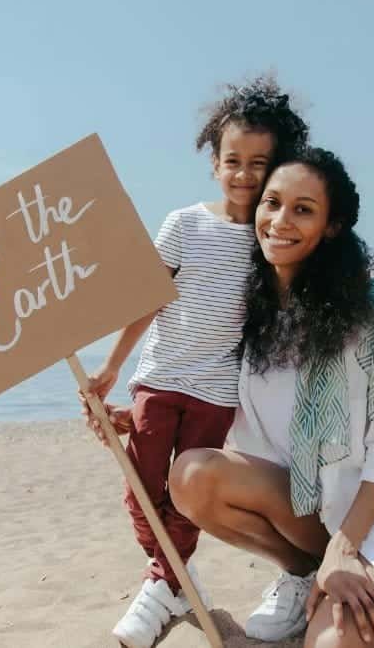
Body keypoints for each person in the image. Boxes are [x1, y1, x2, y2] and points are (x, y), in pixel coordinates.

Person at [157, 146, 374, 647]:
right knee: (192, 477)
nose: (280, 221)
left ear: (331, 226)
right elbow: (212, 392)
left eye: (303, 209)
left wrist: (347, 549)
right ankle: (305, 570)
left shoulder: (372, 307)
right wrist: (137, 412)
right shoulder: (251, 309)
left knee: (331, 644)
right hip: (311, 505)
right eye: (272, 203)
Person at [83, 75, 310, 648]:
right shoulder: (185, 223)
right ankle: (172, 577)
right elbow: (146, 296)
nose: (244, 174)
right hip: (159, 378)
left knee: (182, 495)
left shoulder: (270, 238)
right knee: (140, 489)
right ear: (214, 163)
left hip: (216, 391)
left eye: (259, 163)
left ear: (276, 166)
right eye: (232, 160)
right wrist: (112, 368)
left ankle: (164, 583)